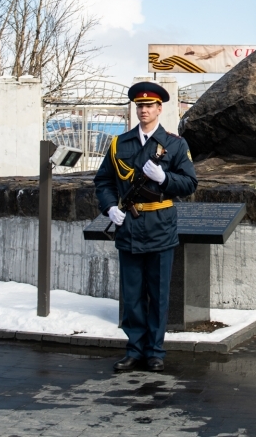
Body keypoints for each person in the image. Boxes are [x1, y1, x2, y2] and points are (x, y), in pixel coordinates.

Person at [94, 81, 197, 373]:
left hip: (160, 226)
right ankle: (134, 349)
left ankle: (155, 351)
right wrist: (110, 207)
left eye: (149, 106)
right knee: (132, 293)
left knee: (159, 293)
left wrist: (165, 178)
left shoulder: (175, 144)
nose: (144, 110)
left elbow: (189, 184)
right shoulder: (119, 143)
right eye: (140, 106)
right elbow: (103, 181)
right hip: (128, 226)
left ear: (159, 109)